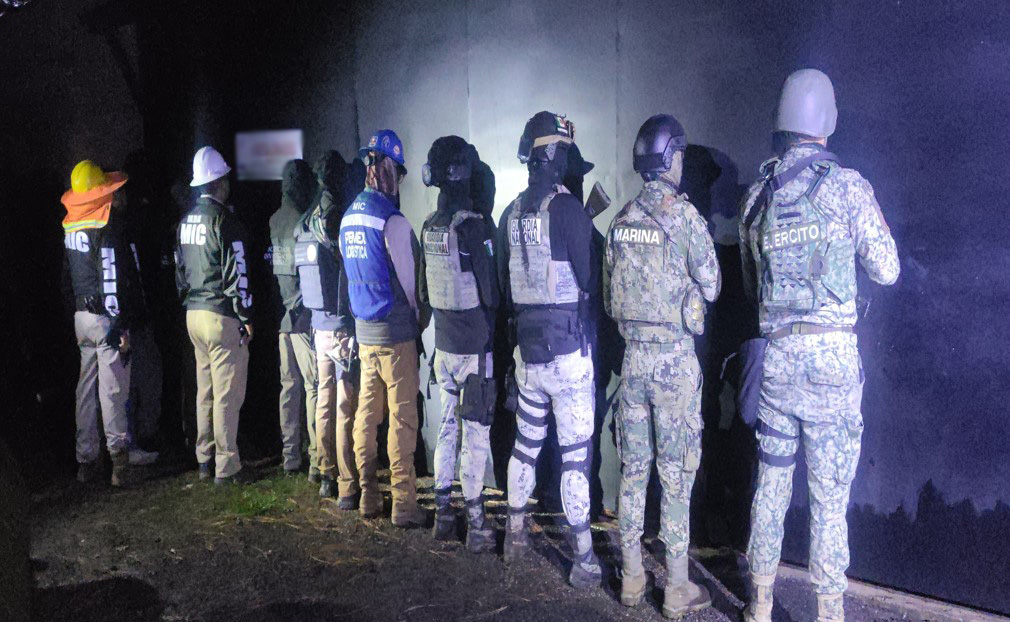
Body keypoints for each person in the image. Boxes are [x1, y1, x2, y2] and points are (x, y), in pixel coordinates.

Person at [738, 69, 900, 622]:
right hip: (831, 367)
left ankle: (759, 603)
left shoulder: (758, 197)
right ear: (826, 120)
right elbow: (887, 269)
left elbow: (751, 286)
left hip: (778, 365)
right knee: (830, 499)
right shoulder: (848, 187)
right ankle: (829, 612)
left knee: (771, 486)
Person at [604, 114, 721, 617]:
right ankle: (676, 587)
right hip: (673, 365)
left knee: (633, 472)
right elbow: (712, 285)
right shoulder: (686, 218)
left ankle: (632, 577)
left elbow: (609, 300)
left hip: (633, 363)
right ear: (671, 157)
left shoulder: (621, 220)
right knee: (674, 475)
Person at [498, 111, 601, 589]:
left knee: (525, 446)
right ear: (554, 154)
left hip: (528, 356)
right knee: (575, 457)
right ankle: (583, 558)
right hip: (567, 356)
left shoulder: (508, 214)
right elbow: (589, 280)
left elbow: (506, 288)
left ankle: (514, 537)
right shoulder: (567, 210)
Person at [339, 130, 430, 527]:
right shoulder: (392, 221)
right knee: (402, 419)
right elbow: (412, 289)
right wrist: (419, 321)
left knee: (366, 415)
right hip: (396, 337)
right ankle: (404, 504)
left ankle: (367, 495)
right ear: (390, 168)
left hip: (365, 335)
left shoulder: (348, 218)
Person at [418, 136, 499, 552]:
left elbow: (424, 293)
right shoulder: (473, 226)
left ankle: (443, 516)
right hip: (474, 352)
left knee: (446, 428)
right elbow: (492, 295)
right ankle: (477, 524)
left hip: (444, 349)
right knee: (476, 435)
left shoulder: (429, 225)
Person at [176, 146, 255, 485]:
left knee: (204, 390)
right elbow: (238, 272)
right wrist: (246, 314)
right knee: (226, 394)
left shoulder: (185, 221)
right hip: (221, 316)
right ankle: (227, 465)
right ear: (220, 182)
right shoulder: (226, 221)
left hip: (193, 314)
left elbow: (179, 271)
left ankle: (204, 458)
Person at [61, 160, 143, 487]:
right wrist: (118, 325)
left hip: (80, 318)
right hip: (103, 318)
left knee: (85, 391)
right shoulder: (105, 228)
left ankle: (86, 461)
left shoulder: (70, 226)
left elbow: (65, 279)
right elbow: (110, 279)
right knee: (112, 391)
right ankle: (119, 463)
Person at [295, 150, 360, 504]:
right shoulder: (336, 215)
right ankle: (347, 480)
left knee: (323, 399)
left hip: (318, 323)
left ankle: (324, 472)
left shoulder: (306, 218)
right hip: (340, 325)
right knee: (344, 404)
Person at [268, 159, 319, 479]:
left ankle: (290, 456)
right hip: (301, 317)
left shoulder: (274, 220)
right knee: (313, 387)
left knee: (288, 388)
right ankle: (316, 458)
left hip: (282, 319)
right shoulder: (303, 221)